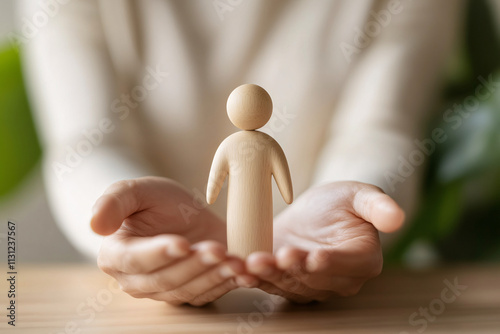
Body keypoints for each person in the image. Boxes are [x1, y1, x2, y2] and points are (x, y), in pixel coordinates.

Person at [19, 0, 463, 305]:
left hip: (319, 298)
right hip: (141, 307)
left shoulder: (254, 144)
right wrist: (120, 210)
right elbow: (87, 143)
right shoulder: (247, 144)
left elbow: (377, 132)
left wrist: (352, 198)